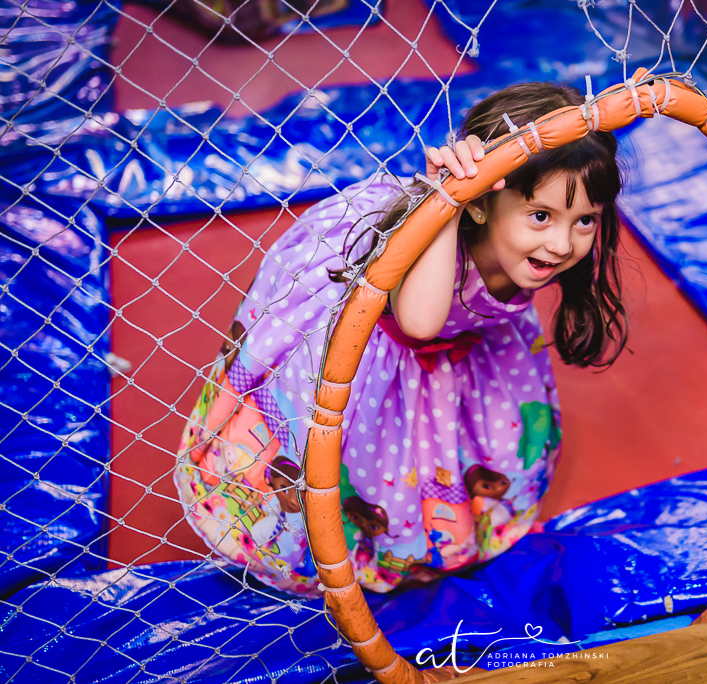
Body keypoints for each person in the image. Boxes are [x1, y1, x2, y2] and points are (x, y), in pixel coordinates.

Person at [174, 81, 629, 595]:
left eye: (584, 220)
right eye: (541, 216)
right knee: (352, 452)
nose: (563, 243)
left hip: (448, 334)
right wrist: (444, 203)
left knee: (459, 439)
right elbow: (418, 323)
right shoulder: (445, 230)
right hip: (369, 333)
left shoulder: (522, 249)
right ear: (481, 206)